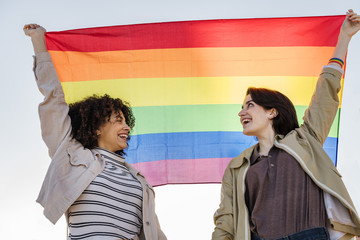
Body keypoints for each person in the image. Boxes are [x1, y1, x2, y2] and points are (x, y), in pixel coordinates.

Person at [212, 10, 360, 240]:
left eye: (250, 105)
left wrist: (344, 39)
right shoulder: (237, 166)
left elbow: (326, 95)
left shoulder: (305, 138)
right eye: (242, 107)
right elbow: (226, 218)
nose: (241, 112)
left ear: (272, 111)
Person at [24, 24, 167, 240]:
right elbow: (53, 99)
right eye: (119, 120)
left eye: (127, 122)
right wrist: (39, 43)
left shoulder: (139, 181)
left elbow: (155, 234)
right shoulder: (73, 155)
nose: (127, 127)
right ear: (98, 127)